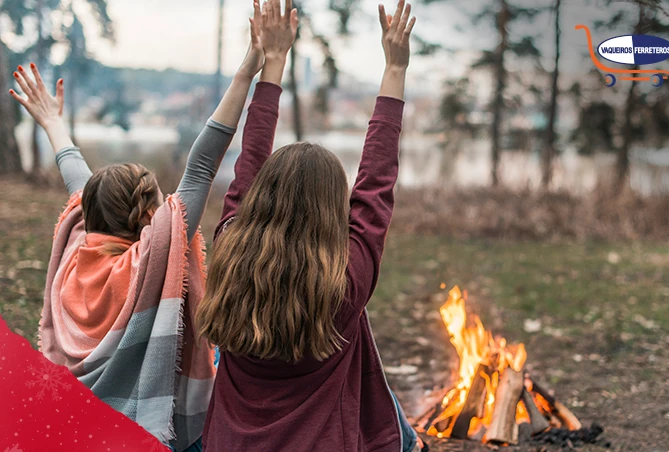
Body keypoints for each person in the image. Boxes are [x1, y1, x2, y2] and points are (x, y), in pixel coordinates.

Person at [7, 6, 267, 451]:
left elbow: (78, 179)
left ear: (87, 214)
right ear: (150, 218)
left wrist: (52, 122)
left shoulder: (73, 251)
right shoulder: (153, 259)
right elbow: (203, 164)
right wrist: (247, 71)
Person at [196, 0, 427, 450]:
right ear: (331, 211)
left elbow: (249, 163)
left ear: (261, 196)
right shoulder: (343, 288)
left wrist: (274, 62)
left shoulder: (226, 250)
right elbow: (376, 185)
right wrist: (395, 68)